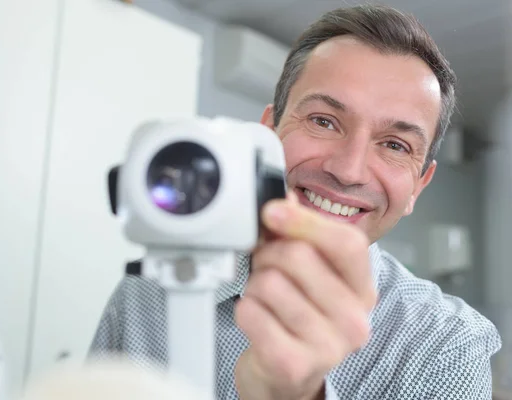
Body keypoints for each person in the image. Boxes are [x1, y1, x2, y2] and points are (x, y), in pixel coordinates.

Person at [88, 4, 502, 399]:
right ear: (268, 132)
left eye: (395, 145)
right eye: (323, 121)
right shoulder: (148, 288)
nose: (348, 170)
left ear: (418, 186)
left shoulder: (448, 346)